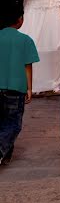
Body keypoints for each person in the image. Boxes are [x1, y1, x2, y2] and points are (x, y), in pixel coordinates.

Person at [0, 9, 39, 165]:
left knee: (3, 121)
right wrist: (29, 88)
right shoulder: (25, 40)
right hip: (15, 88)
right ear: (19, 20)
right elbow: (27, 66)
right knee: (13, 123)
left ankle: (5, 154)